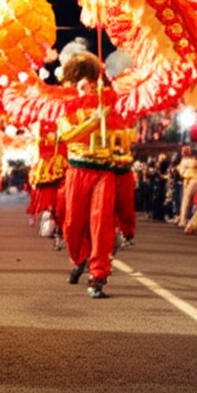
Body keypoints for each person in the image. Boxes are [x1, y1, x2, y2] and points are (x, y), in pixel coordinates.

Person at [57, 52, 135, 299]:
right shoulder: (66, 109)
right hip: (78, 171)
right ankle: (79, 258)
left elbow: (124, 139)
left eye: (90, 78)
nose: (85, 83)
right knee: (72, 224)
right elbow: (67, 136)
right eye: (79, 78)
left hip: (105, 172)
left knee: (101, 224)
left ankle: (98, 274)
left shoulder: (111, 105)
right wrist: (93, 120)